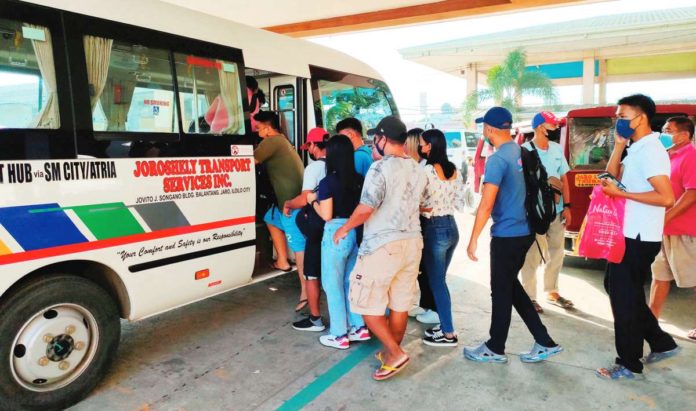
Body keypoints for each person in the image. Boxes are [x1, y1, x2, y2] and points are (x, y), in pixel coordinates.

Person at [464, 107, 562, 364]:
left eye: (483, 127)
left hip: (507, 235)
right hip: (526, 231)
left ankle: (495, 348)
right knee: (511, 287)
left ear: (489, 129)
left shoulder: (497, 159)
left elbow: (486, 204)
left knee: (501, 291)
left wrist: (473, 238)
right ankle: (544, 341)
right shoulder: (523, 152)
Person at [335, 116, 427, 380]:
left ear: (383, 139)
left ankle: (395, 353)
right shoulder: (418, 168)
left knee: (364, 304)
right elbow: (425, 205)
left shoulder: (380, 168)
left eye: (376, 137)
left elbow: (366, 207)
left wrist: (344, 228)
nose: (374, 141)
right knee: (399, 304)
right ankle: (391, 353)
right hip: (413, 243)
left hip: (383, 245)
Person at [597, 94, 680, 380]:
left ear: (640, 117)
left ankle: (629, 363)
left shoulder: (651, 150)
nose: (618, 121)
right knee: (618, 288)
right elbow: (610, 176)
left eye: (622, 116)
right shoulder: (635, 147)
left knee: (624, 298)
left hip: (640, 236)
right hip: (628, 232)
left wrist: (623, 194)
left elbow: (666, 197)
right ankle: (660, 341)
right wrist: (618, 146)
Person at [306, 135, 370, 349]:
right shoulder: (360, 179)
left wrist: (313, 200)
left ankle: (339, 334)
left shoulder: (327, 182)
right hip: (356, 231)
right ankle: (358, 327)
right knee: (349, 283)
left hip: (336, 232)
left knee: (332, 284)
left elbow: (326, 215)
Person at [519, 111, 574, 313]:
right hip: (536, 213)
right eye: (552, 124)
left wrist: (567, 206)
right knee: (532, 255)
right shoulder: (524, 151)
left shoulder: (557, 149)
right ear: (541, 126)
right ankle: (530, 297)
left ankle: (552, 291)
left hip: (557, 211)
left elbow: (564, 179)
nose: (556, 127)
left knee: (557, 252)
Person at [253, 111, 307, 311]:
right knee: (269, 217)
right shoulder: (282, 140)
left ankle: (306, 292)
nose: (256, 131)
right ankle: (283, 260)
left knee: (301, 251)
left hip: (289, 205)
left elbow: (249, 161)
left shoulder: (271, 141)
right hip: (288, 202)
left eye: (258, 128)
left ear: (267, 128)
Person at [649, 117, 696, 341]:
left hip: (685, 231)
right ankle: (650, 321)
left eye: (668, 130)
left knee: (694, 280)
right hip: (665, 229)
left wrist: (667, 217)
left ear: (684, 136)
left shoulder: (691, 156)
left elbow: (692, 193)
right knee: (659, 277)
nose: (663, 133)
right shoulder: (668, 156)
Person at [419, 129, 467, 347]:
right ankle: (444, 326)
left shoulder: (428, 170)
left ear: (430, 146)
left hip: (434, 227)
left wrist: (422, 207)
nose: (420, 147)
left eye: (422, 143)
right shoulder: (454, 170)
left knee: (437, 282)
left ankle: (448, 333)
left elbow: (418, 200)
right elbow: (459, 202)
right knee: (440, 280)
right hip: (452, 227)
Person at [289, 128, 329, 330]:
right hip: (337, 229)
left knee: (311, 275)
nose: (309, 151)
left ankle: (315, 319)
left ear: (314, 145)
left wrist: (288, 204)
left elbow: (305, 198)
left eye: (310, 146)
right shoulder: (342, 165)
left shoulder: (313, 169)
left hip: (317, 227)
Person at [404, 127, 440, 325]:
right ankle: (426, 305)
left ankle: (433, 307)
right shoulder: (418, 166)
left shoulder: (425, 168)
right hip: (418, 222)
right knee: (420, 268)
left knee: (427, 268)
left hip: (426, 222)